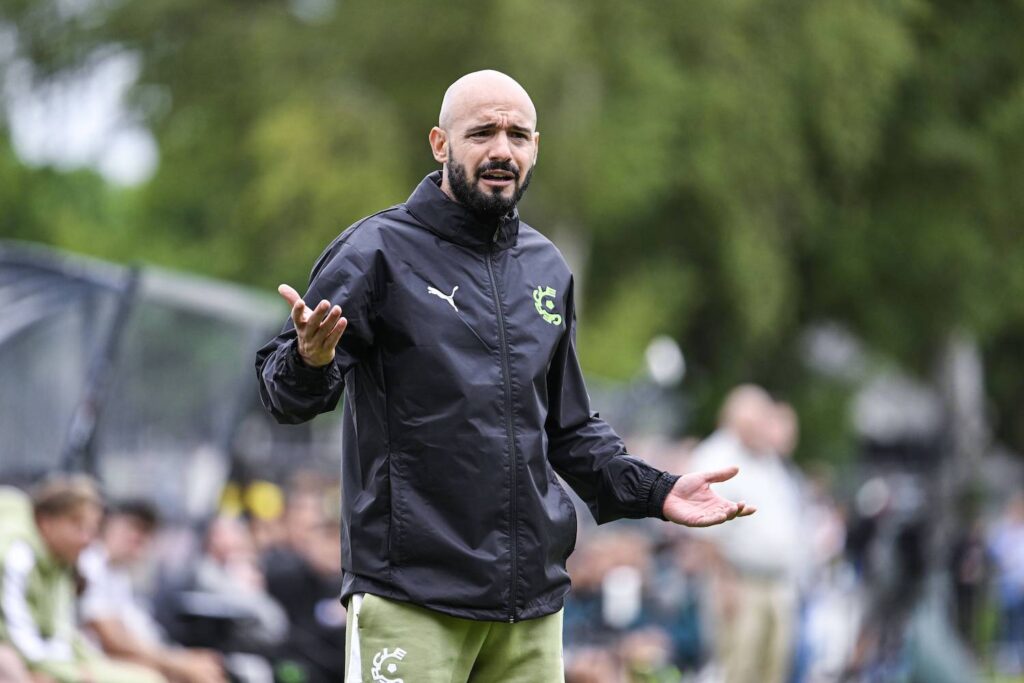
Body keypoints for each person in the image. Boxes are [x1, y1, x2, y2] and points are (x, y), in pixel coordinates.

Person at [255, 69, 754, 682]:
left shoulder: (547, 267)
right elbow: (284, 395)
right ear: (440, 144)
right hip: (411, 596)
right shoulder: (375, 250)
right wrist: (310, 360)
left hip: (530, 607)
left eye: (517, 134)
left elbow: (570, 432)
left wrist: (659, 490)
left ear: (535, 148)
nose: (501, 149)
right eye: (482, 132)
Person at [687, 386, 804, 683]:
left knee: (771, 669)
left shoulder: (767, 459)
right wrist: (722, 582)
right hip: (739, 581)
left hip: (775, 582)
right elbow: (705, 529)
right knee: (738, 668)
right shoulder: (716, 456)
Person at [0, 478, 164, 683]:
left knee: (148, 679)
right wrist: (72, 674)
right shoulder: (16, 555)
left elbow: (61, 631)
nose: (86, 539)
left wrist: (88, 669)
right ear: (46, 521)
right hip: (17, 656)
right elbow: (17, 635)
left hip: (46, 660)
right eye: (77, 525)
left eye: (92, 529)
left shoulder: (61, 562)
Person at [77, 500, 226, 683]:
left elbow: (133, 635)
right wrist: (178, 663)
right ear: (108, 524)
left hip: (120, 659)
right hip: (93, 661)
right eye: (133, 528)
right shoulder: (90, 564)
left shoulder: (119, 575)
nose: (138, 539)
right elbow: (112, 640)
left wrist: (182, 659)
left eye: (146, 533)